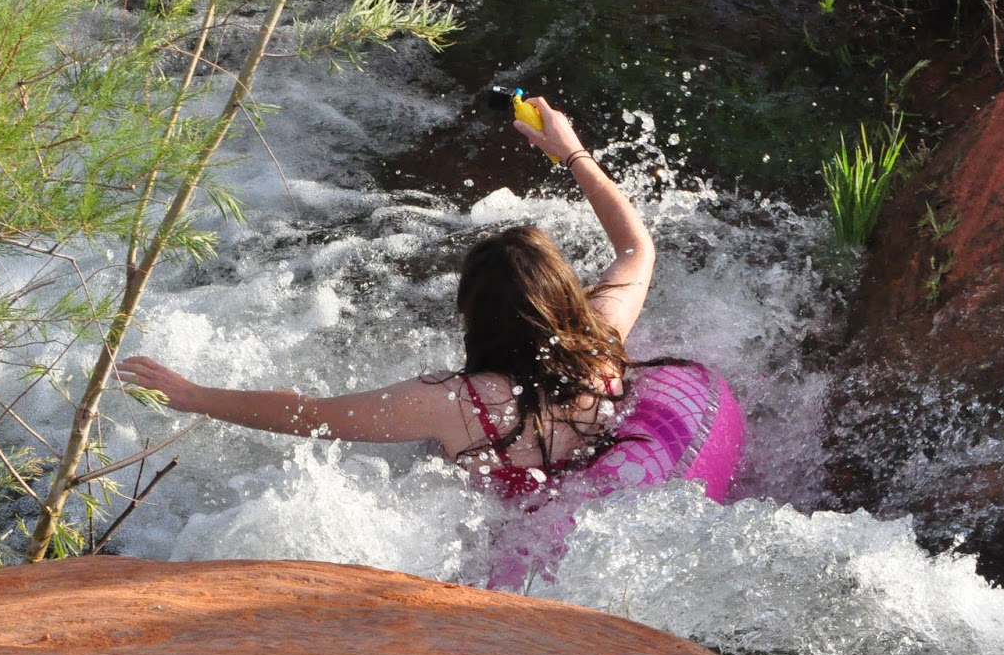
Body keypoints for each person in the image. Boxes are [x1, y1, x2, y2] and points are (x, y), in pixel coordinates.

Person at [115, 97, 744, 585]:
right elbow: (638, 247)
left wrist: (195, 394)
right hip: (616, 505)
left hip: (518, 537)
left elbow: (312, 415)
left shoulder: (455, 403)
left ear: (474, 314)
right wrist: (572, 153)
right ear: (563, 298)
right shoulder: (600, 341)